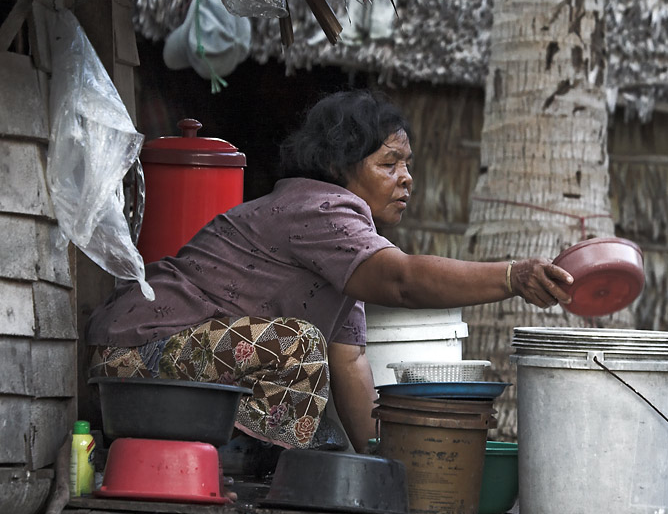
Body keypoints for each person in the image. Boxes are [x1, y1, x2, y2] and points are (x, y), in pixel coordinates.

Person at [85, 90, 574, 454]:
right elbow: (402, 281)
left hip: (174, 363)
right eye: (390, 163)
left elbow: (350, 363)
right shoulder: (319, 208)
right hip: (135, 352)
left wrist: (385, 466)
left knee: (317, 369)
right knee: (298, 344)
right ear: (341, 165)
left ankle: (262, 467)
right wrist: (512, 277)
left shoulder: (345, 249)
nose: (407, 178)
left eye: (408, 165)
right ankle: (252, 468)